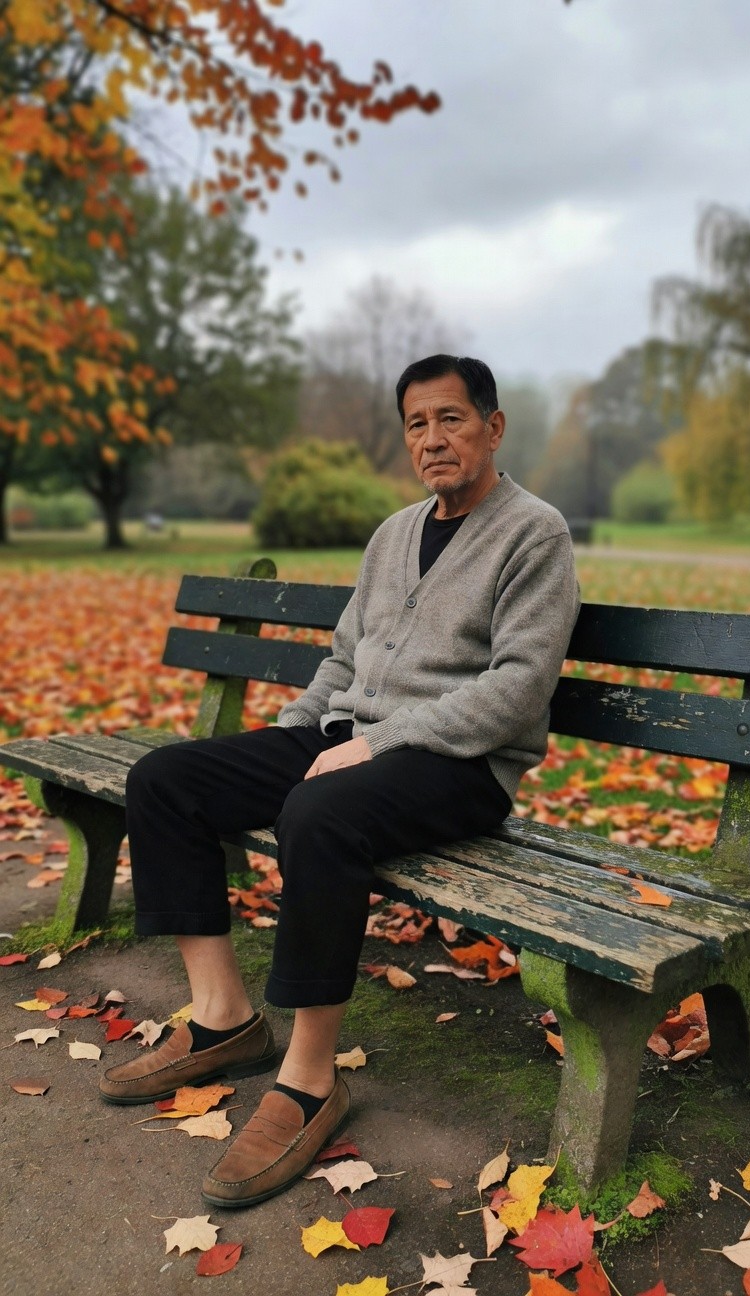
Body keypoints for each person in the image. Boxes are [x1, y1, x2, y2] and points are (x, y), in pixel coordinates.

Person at [99, 354, 579, 1209]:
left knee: (318, 811)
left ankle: (312, 1079)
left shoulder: (533, 533)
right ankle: (222, 1019)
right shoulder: (394, 533)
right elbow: (344, 662)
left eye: (451, 419)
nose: (432, 439)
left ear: (493, 428)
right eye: (416, 425)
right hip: (352, 745)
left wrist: (380, 740)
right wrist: (292, 737)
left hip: (460, 768)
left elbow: (517, 690)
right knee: (167, 778)